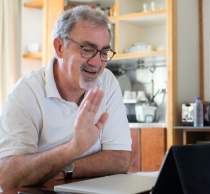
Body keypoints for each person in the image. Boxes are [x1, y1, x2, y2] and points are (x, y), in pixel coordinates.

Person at [0, 5, 131, 190]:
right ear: (59, 47)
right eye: (87, 49)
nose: (96, 63)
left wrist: (67, 168)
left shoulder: (107, 81)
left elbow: (120, 159)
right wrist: (73, 148)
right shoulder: (26, 92)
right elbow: (7, 178)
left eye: (103, 52)